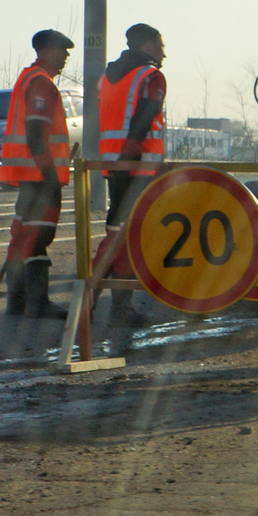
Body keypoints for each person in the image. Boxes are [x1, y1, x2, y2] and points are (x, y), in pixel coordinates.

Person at [0, 29, 76, 319]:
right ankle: (38, 303)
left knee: (24, 236)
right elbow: (35, 133)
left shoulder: (28, 78)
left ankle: (16, 303)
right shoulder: (41, 83)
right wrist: (50, 174)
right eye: (63, 50)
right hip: (40, 176)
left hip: (28, 175)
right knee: (39, 236)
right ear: (47, 50)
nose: (67, 56)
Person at [93, 23, 168, 328]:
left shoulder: (109, 77)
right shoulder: (151, 76)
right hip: (138, 165)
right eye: (161, 44)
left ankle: (93, 299)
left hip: (115, 163)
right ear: (148, 44)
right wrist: (132, 155)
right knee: (128, 234)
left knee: (116, 228)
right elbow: (144, 117)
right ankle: (116, 308)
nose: (164, 52)